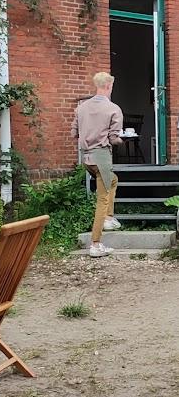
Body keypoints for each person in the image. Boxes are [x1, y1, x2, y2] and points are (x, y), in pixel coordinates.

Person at [71, 71, 124, 258]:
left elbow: (74, 134)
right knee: (102, 199)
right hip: (102, 157)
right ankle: (95, 243)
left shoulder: (81, 108)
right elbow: (113, 138)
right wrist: (121, 139)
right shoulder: (113, 108)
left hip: (86, 158)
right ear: (109, 86)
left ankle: (109, 218)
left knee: (113, 181)